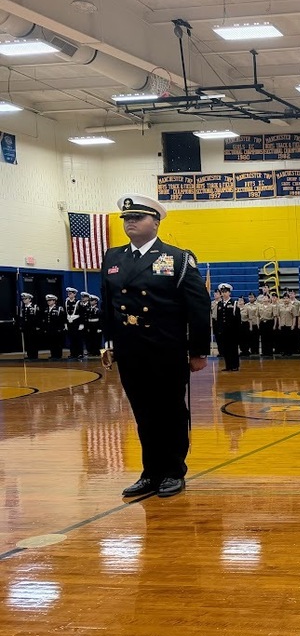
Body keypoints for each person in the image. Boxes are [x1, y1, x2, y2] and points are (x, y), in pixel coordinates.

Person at [100, 193, 210, 499]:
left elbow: (198, 306)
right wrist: (108, 343)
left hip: (166, 349)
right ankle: (151, 472)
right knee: (143, 413)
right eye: (127, 218)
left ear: (155, 222)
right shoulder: (113, 257)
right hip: (130, 349)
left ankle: (173, 471)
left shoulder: (177, 257)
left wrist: (199, 350)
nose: (131, 222)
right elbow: (108, 305)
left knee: (170, 411)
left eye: (138, 217)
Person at [213, 283, 241, 371]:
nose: (224, 293)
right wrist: (219, 330)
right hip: (223, 331)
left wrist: (237, 332)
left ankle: (235, 365)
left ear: (229, 293)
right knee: (225, 349)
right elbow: (219, 319)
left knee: (233, 348)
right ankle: (228, 366)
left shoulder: (234, 303)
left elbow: (237, 319)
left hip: (232, 331)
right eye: (222, 292)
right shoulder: (220, 304)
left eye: (226, 292)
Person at [17, 292, 42, 360]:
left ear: (30, 299)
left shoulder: (34, 307)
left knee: (33, 341)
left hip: (33, 328)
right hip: (26, 328)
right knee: (27, 341)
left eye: (26, 299)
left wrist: (38, 326)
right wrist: (21, 326)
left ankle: (34, 355)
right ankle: (29, 354)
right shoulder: (23, 308)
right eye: (23, 299)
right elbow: (21, 318)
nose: (24, 300)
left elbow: (38, 317)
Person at [43, 293, 66, 360]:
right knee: (51, 342)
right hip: (49, 328)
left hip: (57, 329)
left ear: (54, 301)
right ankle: (53, 354)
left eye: (50, 300)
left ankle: (58, 355)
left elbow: (62, 319)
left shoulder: (59, 308)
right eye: (48, 301)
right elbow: (45, 319)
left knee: (57, 342)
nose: (48, 302)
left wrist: (61, 328)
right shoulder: (46, 309)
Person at [64, 287, 84, 360]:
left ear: (74, 294)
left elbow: (82, 313)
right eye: (68, 293)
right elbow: (64, 314)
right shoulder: (66, 302)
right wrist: (65, 324)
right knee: (71, 339)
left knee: (78, 339)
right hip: (69, 323)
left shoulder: (78, 302)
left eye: (71, 293)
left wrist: (81, 324)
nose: (69, 295)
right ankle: (73, 353)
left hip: (76, 322)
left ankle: (79, 353)